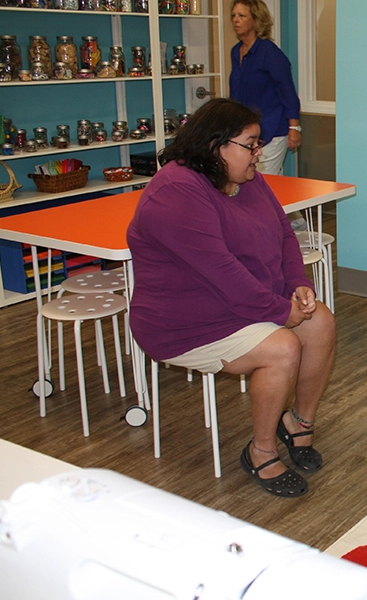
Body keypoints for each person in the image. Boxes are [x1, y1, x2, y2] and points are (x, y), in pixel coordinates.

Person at [127, 98, 335, 498]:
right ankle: (261, 451)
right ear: (215, 145)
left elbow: (284, 232)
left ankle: (299, 424)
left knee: (321, 321)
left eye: (258, 143)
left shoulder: (246, 178)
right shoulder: (176, 192)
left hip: (240, 303)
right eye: (250, 144)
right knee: (283, 347)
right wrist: (279, 310)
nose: (258, 152)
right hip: (184, 322)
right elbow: (220, 271)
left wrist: (296, 283)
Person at [228, 0, 301, 177]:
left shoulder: (270, 53)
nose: (236, 20)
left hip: (272, 129)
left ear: (256, 20)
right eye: (234, 15)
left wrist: (294, 128)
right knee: (253, 180)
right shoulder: (236, 51)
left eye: (242, 16)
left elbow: (288, 92)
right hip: (246, 131)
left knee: (264, 180)